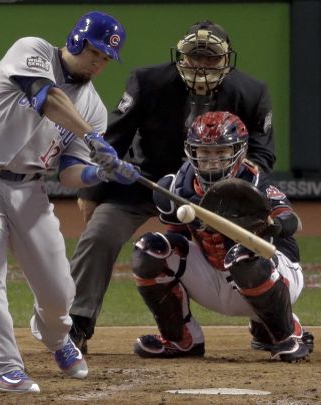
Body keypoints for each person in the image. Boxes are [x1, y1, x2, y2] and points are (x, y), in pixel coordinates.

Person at [0, 11, 139, 394]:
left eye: (106, 59)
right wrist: (94, 139)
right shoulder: (31, 50)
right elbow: (46, 96)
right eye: (96, 53)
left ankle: (55, 336)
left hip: (30, 190)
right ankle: (2, 366)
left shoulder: (94, 109)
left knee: (59, 292)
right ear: (76, 41)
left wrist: (99, 174)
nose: (99, 63)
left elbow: (69, 171)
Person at [69, 20, 276, 353]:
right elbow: (116, 137)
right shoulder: (147, 81)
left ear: (226, 60)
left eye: (210, 59)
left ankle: (268, 320)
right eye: (196, 57)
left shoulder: (251, 92)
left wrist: (237, 196)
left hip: (215, 193)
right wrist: (90, 192)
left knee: (261, 235)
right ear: (180, 56)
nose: (202, 66)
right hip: (146, 182)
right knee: (99, 235)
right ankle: (77, 323)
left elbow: (263, 155)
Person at [131, 111, 313, 362]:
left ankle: (286, 335)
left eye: (221, 153)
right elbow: (176, 242)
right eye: (205, 153)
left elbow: (292, 220)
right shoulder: (177, 186)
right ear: (192, 152)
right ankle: (180, 339)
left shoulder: (253, 181)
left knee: (241, 257)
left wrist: (273, 225)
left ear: (238, 151)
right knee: (148, 250)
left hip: (274, 271)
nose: (212, 161)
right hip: (215, 276)